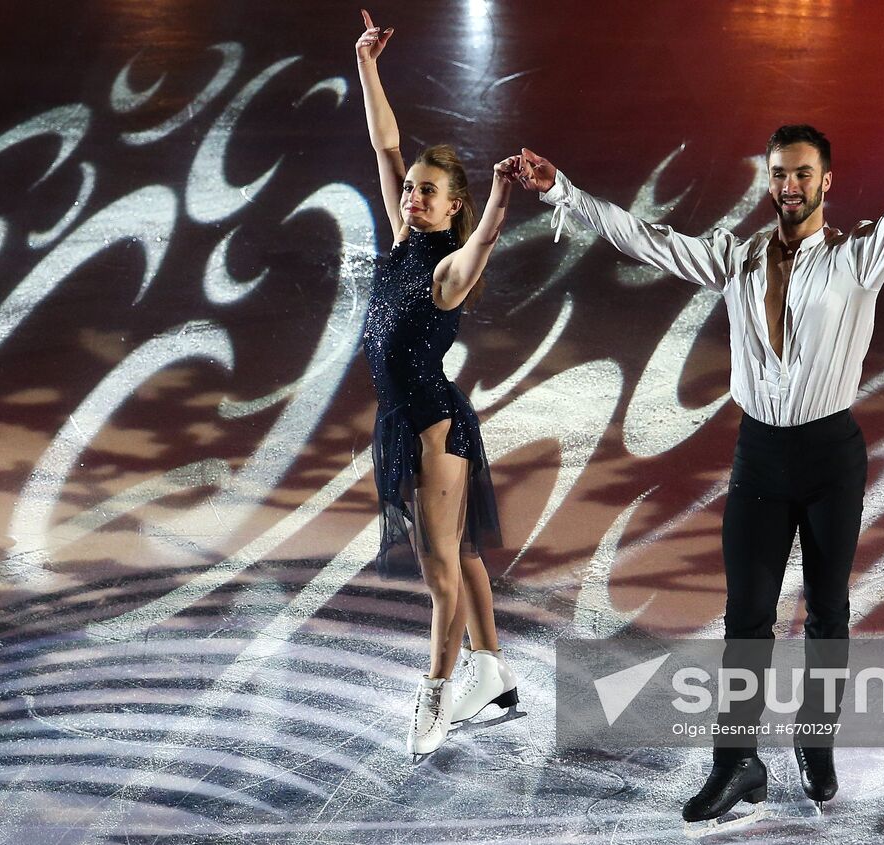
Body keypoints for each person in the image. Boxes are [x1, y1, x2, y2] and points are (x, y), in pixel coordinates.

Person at [516, 65, 884, 826]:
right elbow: (647, 240)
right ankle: (736, 763)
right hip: (759, 458)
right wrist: (565, 193)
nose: (790, 186)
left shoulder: (861, 257)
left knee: (827, 612)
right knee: (746, 617)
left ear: (827, 181)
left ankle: (814, 742)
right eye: (780, 174)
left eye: (803, 175)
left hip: (830, 458)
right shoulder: (737, 259)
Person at [355, 10, 523, 759]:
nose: (411, 196)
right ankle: (492, 669)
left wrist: (494, 197)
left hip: (432, 428)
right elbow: (385, 144)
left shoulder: (447, 272)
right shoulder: (400, 239)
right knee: (463, 555)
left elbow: (484, 240)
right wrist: (367, 64)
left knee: (439, 569)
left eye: (427, 192)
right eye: (411, 189)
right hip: (404, 422)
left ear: (450, 206)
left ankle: (437, 693)